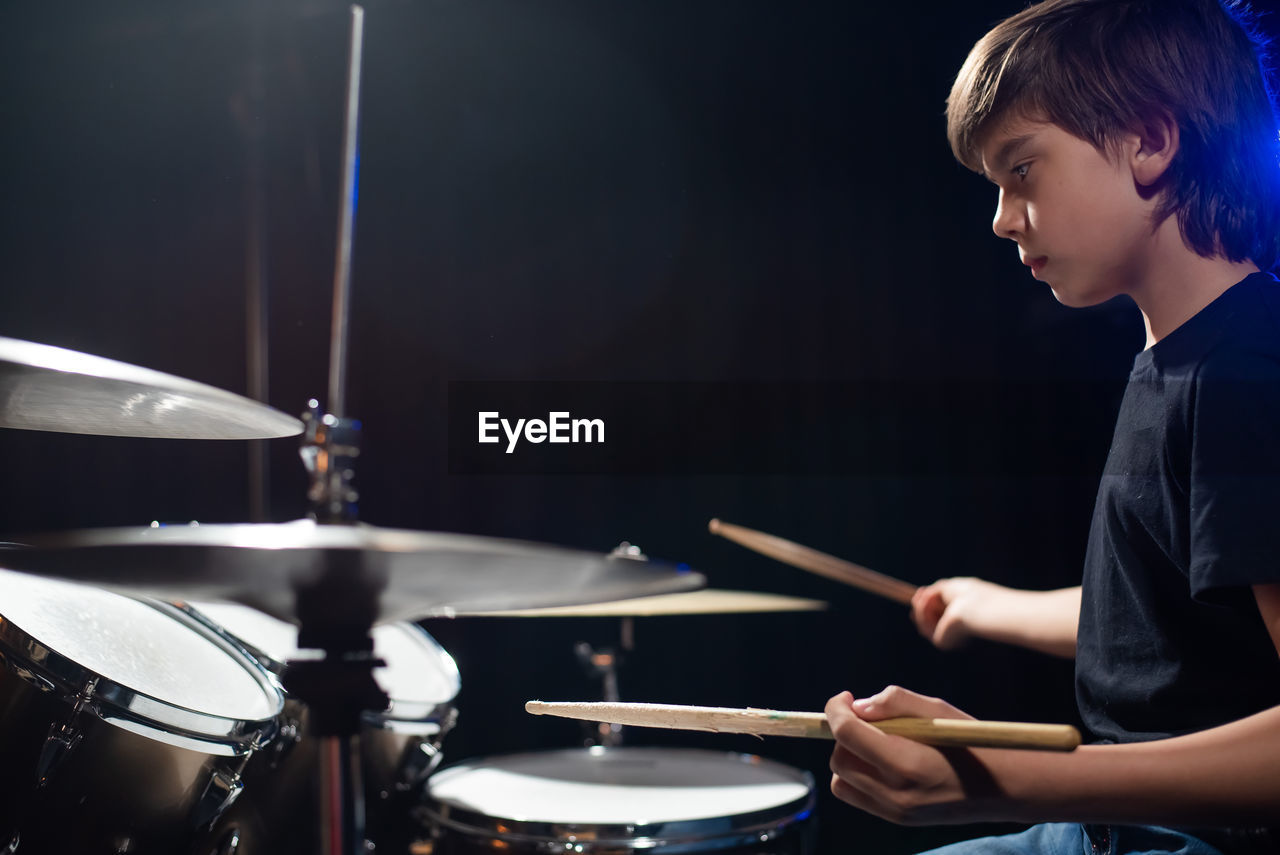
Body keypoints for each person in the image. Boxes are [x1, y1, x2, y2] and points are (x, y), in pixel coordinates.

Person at [823, 0, 1280, 852]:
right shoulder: (1185, 357)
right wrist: (987, 607)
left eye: (1021, 169)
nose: (1001, 217)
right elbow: (1180, 627)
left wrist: (997, 776)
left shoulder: (1245, 376)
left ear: (1149, 141)